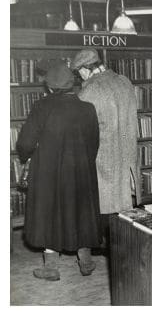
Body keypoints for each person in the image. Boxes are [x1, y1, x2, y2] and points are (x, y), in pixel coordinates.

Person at [16, 63, 101, 281]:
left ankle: (51, 268)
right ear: (72, 84)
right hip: (80, 171)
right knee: (80, 211)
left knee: (49, 214)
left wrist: (25, 156)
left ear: (50, 87)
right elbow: (94, 143)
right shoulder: (88, 108)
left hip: (49, 172)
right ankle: (86, 261)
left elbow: (25, 142)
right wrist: (83, 164)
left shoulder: (41, 107)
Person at [71, 49, 139, 241]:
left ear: (85, 69)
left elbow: (81, 130)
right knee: (124, 206)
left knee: (104, 206)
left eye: (79, 73)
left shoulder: (89, 91)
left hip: (104, 158)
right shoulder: (124, 81)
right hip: (127, 157)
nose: (79, 77)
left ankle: (105, 245)